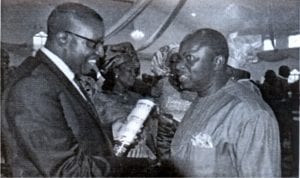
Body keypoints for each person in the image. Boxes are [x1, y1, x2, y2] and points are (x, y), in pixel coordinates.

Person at [2, 3, 150, 177]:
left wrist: (111, 134)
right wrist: (141, 166)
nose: (101, 52)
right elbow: (69, 171)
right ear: (63, 38)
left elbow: (69, 133)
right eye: (93, 44)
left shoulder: (57, 77)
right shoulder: (33, 86)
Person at [158, 28, 281, 177]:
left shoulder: (251, 113)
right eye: (179, 59)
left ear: (217, 62)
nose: (178, 66)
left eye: (189, 58)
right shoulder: (201, 99)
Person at [92, 42, 157, 161]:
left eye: (135, 71)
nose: (133, 75)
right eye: (129, 70)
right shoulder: (100, 100)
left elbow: (148, 134)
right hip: (117, 159)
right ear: (116, 71)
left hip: (143, 157)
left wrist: (156, 157)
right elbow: (95, 137)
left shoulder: (138, 99)